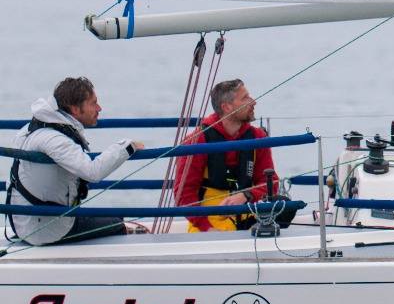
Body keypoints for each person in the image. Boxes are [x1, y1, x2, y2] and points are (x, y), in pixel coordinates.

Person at [5, 77, 147, 245]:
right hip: (46, 230)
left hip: (24, 222)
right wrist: (127, 147)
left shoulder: (30, 129)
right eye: (93, 103)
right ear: (75, 109)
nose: (99, 108)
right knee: (116, 222)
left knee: (106, 217)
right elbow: (92, 172)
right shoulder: (55, 139)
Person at [174, 79, 292, 232]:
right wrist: (207, 229)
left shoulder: (257, 137)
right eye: (245, 98)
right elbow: (184, 194)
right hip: (211, 222)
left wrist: (247, 195)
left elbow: (270, 183)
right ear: (227, 107)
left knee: (286, 207)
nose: (253, 102)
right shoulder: (197, 141)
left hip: (249, 215)